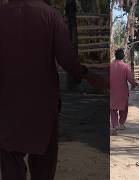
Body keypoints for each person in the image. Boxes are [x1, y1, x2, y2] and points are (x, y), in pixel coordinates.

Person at [0, 0, 87, 179]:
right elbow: (67, 59)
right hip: (42, 106)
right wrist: (86, 75)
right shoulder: (50, 15)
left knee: (10, 162)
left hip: (6, 105)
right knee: (43, 166)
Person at [110, 48, 139, 135]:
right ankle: (121, 123)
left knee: (113, 109)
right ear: (123, 56)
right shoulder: (125, 67)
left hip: (112, 92)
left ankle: (114, 126)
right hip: (123, 92)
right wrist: (137, 85)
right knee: (124, 109)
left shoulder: (110, 66)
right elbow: (130, 80)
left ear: (115, 56)